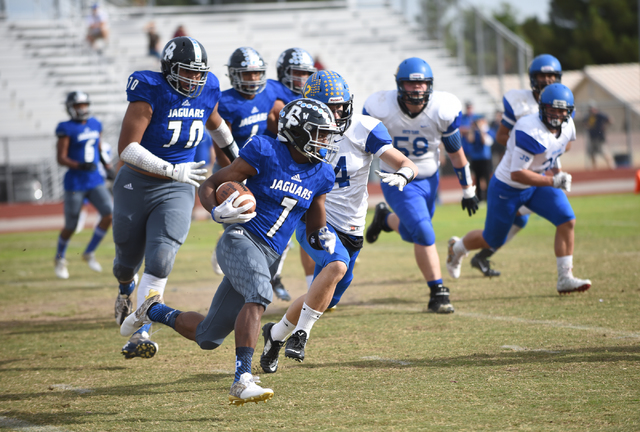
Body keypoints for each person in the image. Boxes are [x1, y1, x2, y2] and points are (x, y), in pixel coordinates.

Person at [119, 98, 341, 405]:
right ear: (298, 132)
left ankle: (152, 309)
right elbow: (210, 184)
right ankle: (242, 380)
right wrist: (215, 211)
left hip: (268, 254)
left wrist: (322, 239)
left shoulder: (322, 173)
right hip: (239, 240)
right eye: (319, 133)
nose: (325, 141)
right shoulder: (265, 151)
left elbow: (315, 224)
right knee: (261, 293)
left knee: (208, 336)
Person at [259, 70, 418, 372]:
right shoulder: (301, 130)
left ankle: (276, 335)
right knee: (336, 265)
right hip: (313, 219)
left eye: (341, 106)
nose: (337, 113)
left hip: (353, 228)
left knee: (323, 298)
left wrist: (403, 174)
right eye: (329, 107)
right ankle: (301, 336)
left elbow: (405, 162)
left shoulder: (364, 128)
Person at [112, 36, 237, 360]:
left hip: (178, 186)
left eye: (199, 73)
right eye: (187, 72)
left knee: (162, 258)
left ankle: (141, 329)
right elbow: (126, 149)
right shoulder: (149, 89)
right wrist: (170, 169)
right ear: (168, 70)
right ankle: (127, 288)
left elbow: (218, 127)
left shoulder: (207, 88)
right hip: (136, 183)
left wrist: (238, 163)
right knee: (125, 262)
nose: (194, 80)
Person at [446, 84, 591, 295]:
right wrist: (553, 182)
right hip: (508, 187)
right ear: (542, 108)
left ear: (569, 111)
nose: (557, 115)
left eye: (562, 110)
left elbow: (554, 149)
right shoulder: (529, 130)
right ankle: (457, 248)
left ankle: (565, 278)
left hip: (535, 182)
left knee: (567, 220)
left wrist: (557, 171)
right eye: (552, 109)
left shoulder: (567, 127)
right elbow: (518, 174)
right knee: (492, 240)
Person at [363, 57, 479, 314]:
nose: (417, 89)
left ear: (430, 86)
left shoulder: (442, 109)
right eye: (410, 83)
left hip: (430, 179)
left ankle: (384, 220)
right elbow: (363, 147)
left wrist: (468, 189)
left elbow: (456, 153)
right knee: (425, 233)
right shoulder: (380, 107)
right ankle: (437, 291)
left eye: (422, 84)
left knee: (411, 233)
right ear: (399, 85)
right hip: (398, 180)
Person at [209, 46, 292, 301]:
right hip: (233, 167)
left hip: (263, 169)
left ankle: (270, 274)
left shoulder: (272, 92)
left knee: (274, 225)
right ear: (234, 76)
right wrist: (234, 174)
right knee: (240, 219)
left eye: (257, 74)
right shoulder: (226, 101)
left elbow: (282, 117)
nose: (253, 80)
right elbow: (220, 143)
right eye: (247, 75)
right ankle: (229, 252)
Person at [469, 54, 563, 277]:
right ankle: (464, 249)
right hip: (517, 170)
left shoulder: (563, 101)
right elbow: (502, 135)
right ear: (533, 78)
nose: (548, 80)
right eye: (542, 75)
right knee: (505, 226)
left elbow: (563, 142)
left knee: (527, 220)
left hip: (539, 171)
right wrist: (527, 145)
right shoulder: (519, 102)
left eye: (552, 75)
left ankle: (481, 256)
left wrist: (553, 160)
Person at [54, 91, 113, 279]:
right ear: (71, 108)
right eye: (79, 106)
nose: (82, 109)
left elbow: (99, 147)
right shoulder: (65, 128)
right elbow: (61, 158)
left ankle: (89, 252)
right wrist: (79, 165)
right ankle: (60, 258)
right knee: (71, 225)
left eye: (84, 105)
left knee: (109, 214)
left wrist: (107, 166)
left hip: (95, 180)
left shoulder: (95, 124)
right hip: (75, 182)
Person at [460, 102, 494, 201]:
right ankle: (480, 197)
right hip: (476, 157)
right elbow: (470, 140)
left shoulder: (486, 131)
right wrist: (472, 129)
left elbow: (486, 141)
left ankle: (488, 197)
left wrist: (481, 129)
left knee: (487, 177)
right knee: (477, 178)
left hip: (485, 157)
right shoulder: (473, 131)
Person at [584, 101, 614, 170]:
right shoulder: (588, 116)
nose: (591, 110)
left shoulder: (600, 115)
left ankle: (611, 166)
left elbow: (610, 120)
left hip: (600, 138)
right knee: (592, 153)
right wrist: (587, 125)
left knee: (604, 152)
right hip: (592, 137)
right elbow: (584, 123)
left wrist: (605, 126)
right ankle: (595, 168)